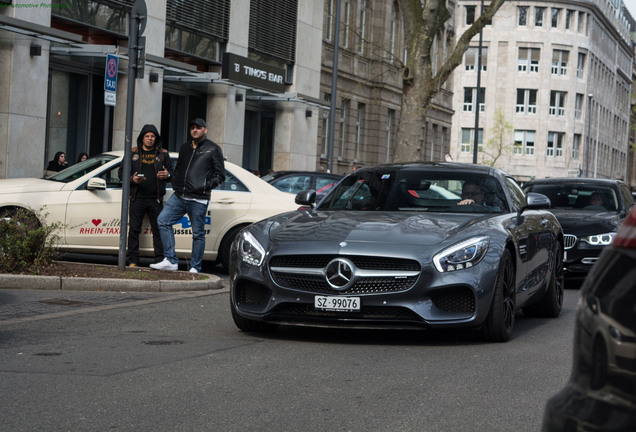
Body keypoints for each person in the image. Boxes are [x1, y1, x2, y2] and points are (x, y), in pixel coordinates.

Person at [151, 118, 225, 273]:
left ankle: (195, 267)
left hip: (198, 199)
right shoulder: (184, 147)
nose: (195, 130)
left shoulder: (213, 148)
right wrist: (170, 177)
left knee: (198, 234)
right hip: (179, 196)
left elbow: (220, 175)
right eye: (192, 127)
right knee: (163, 221)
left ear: (205, 130)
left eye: (198, 127)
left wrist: (203, 186)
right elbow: (179, 170)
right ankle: (170, 260)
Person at [120, 124, 172, 267]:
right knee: (134, 230)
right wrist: (132, 179)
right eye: (147, 136)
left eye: (152, 136)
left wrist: (167, 175)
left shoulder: (163, 154)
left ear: (156, 138)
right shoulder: (132, 153)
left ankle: (160, 260)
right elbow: (121, 174)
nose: (150, 139)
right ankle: (133, 261)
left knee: (158, 230)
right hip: (137, 198)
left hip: (156, 199)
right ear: (142, 138)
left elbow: (172, 174)